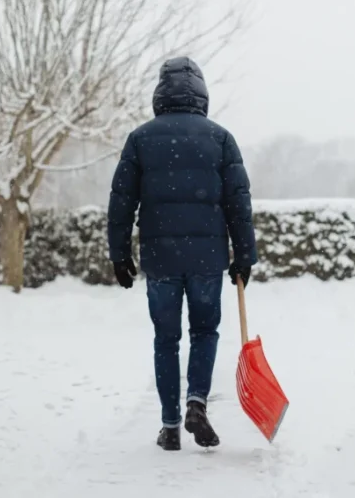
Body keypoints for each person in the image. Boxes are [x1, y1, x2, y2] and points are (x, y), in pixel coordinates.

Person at [106, 56, 257, 451]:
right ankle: (196, 403)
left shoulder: (140, 139)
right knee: (205, 331)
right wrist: (244, 256)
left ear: (160, 92)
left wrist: (119, 254)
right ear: (202, 94)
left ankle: (170, 426)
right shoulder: (221, 138)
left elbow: (121, 202)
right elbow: (238, 203)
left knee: (166, 339)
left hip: (161, 259)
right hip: (207, 258)